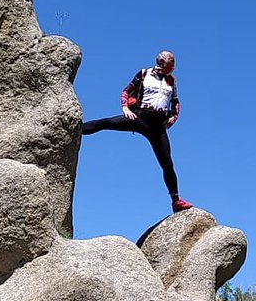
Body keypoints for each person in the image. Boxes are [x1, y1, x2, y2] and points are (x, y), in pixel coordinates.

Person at [82, 50, 193, 212]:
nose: (173, 66)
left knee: (167, 164)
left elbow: (176, 103)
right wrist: (125, 107)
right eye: (171, 62)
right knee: (107, 122)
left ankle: (176, 201)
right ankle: (78, 130)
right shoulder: (144, 74)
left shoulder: (171, 81)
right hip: (140, 117)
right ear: (162, 62)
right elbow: (127, 90)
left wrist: (173, 118)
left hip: (158, 126)